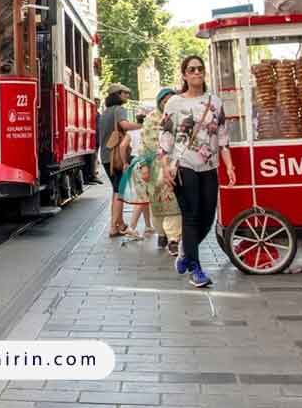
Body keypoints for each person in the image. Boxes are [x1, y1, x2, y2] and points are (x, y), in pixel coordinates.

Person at [159, 56, 235, 289]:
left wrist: (229, 165)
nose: (196, 73)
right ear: (184, 75)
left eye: (200, 69)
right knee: (191, 216)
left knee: (208, 217)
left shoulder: (215, 102)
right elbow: (165, 139)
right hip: (184, 165)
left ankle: (185, 252)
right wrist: (166, 169)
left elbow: (222, 137)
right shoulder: (175, 103)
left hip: (209, 166)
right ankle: (196, 269)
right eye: (191, 70)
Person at [138, 87, 183, 254]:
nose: (168, 104)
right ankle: (161, 233)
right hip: (154, 168)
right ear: (159, 102)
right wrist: (143, 166)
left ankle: (173, 238)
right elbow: (143, 145)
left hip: (174, 166)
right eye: (165, 101)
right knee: (156, 205)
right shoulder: (150, 119)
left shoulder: (180, 116)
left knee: (174, 203)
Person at [98, 83, 140, 237]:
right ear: (118, 94)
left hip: (105, 157)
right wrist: (142, 125)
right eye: (125, 93)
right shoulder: (119, 110)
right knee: (119, 191)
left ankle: (119, 223)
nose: (127, 96)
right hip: (116, 158)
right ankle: (113, 226)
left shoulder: (104, 113)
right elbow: (125, 125)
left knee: (116, 190)